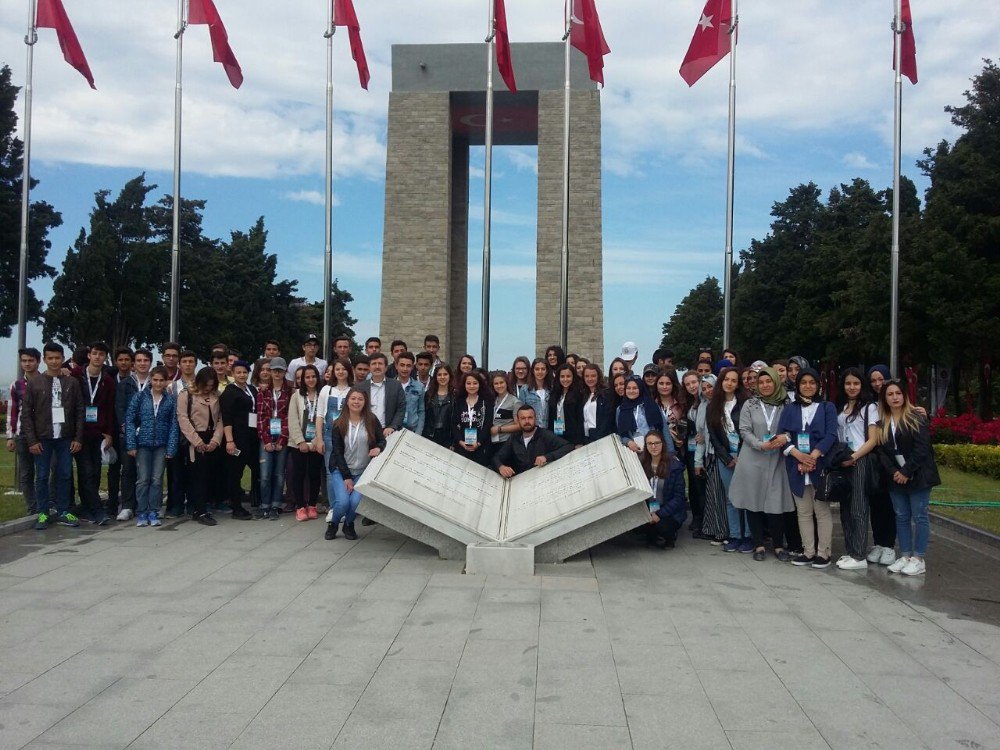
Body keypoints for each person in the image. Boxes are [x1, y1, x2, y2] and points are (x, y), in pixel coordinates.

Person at [728, 367, 793, 561]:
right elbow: (744, 430)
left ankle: (779, 546)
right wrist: (760, 445)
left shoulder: (786, 404)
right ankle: (758, 546)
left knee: (776, 503)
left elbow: (794, 428)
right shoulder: (750, 403)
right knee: (753, 502)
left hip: (777, 459)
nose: (765, 385)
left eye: (769, 381)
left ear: (776, 382)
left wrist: (786, 437)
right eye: (761, 382)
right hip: (753, 458)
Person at [877, 380, 940, 576]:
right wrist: (895, 472)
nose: (894, 397)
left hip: (918, 475)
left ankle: (918, 558)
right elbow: (881, 452)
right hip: (895, 477)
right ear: (884, 398)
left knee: (919, 516)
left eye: (898, 393)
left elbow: (922, 449)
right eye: (890, 394)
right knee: (901, 516)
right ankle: (904, 555)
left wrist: (907, 471)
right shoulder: (882, 422)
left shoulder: (916, 418)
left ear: (904, 395)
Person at [778, 368, 839, 568]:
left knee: (821, 511)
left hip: (818, 464)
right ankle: (808, 551)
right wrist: (798, 456)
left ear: (818, 385)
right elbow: (783, 437)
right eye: (803, 382)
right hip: (796, 465)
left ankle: (824, 553)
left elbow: (831, 435)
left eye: (812, 382)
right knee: (803, 512)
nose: (808, 386)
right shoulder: (789, 409)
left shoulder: (827, 407)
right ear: (798, 385)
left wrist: (811, 458)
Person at [22, 342, 85, 529]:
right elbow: (27, 413)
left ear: (62, 358)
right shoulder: (35, 382)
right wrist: (32, 440)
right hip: (43, 438)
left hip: (65, 437)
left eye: (58, 358)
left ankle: (64, 510)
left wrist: (78, 438)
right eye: (50, 358)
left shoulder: (71, 382)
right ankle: (43, 512)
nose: (54, 361)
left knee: (65, 474)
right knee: (41, 476)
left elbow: (80, 411)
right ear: (44, 360)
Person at [834, 367, 881, 570]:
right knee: (845, 508)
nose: (851, 387)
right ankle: (850, 550)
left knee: (859, 507)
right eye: (848, 383)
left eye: (856, 383)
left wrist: (853, 457)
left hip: (860, 459)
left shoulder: (869, 408)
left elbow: (873, 439)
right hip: (843, 461)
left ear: (862, 385)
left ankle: (859, 554)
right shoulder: (841, 407)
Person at [325, 388, 386, 541]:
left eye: (360, 399)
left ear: (365, 402)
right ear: (347, 401)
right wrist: (346, 477)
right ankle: (333, 523)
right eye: (353, 398)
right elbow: (337, 453)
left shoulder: (371, 420)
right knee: (343, 502)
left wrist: (379, 448)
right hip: (341, 470)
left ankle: (349, 524)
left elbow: (381, 440)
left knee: (355, 502)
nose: (356, 402)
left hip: (363, 471)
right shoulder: (339, 423)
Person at [125, 366, 179, 527]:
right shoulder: (140, 397)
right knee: (143, 479)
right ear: (151, 380)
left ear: (166, 381)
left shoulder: (170, 400)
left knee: (156, 479)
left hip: (161, 445)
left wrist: (171, 447)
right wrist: (131, 444)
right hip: (142, 444)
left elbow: (173, 425)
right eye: (155, 379)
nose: (158, 383)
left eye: (161, 380)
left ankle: (154, 511)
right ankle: (142, 512)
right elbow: (130, 420)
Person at [707, 367, 751, 552]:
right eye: (726, 379)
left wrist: (742, 456)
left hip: (746, 457)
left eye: (734, 380)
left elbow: (750, 431)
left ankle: (748, 537)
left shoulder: (746, 404)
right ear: (721, 382)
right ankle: (734, 535)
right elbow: (714, 437)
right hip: (725, 458)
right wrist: (727, 458)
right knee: (730, 498)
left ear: (738, 383)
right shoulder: (713, 406)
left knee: (746, 498)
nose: (730, 383)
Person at [75, 341, 116, 525]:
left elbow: (109, 408)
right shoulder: (76, 375)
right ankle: (97, 511)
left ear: (105, 358)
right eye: (95, 353)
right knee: (86, 470)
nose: (98, 357)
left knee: (96, 471)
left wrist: (108, 432)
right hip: (79, 432)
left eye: (101, 354)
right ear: (89, 355)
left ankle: (87, 508)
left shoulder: (107, 381)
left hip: (98, 433)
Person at [177, 367, 224, 525]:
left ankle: (206, 505)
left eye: (211, 385)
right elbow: (183, 419)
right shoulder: (186, 394)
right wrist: (197, 442)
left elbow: (221, 420)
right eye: (206, 385)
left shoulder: (216, 395)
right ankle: (199, 510)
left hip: (213, 437)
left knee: (211, 474)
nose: (208, 388)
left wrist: (216, 440)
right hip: (195, 437)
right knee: (198, 475)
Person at [865, 363, 898, 565]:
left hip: (894, 461)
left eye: (881, 379)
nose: (878, 384)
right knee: (877, 504)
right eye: (874, 380)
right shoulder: (870, 405)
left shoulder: (896, 401)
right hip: (875, 461)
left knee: (891, 504)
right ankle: (878, 542)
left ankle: (889, 546)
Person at [219, 360, 257, 520]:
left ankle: (257, 500)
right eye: (238, 372)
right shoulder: (229, 392)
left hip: (252, 436)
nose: (242, 375)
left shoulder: (251, 389)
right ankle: (236, 506)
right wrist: (229, 440)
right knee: (235, 472)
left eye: (244, 372)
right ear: (233, 374)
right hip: (236, 437)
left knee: (256, 468)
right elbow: (226, 418)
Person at [492, 405, 573, 477]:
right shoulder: (514, 438)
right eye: (523, 418)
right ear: (518, 420)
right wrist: (501, 467)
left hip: (543, 479)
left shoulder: (545, 435)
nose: (527, 421)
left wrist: (547, 457)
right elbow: (497, 457)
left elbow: (568, 446)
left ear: (535, 418)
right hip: (521, 482)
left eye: (530, 417)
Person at [7, 348, 42, 514]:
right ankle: (32, 508)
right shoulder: (17, 385)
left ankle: (47, 504)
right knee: (26, 474)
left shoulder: (47, 381)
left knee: (45, 472)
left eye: (31, 360)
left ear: (38, 361)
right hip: (22, 435)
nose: (27, 364)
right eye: (24, 361)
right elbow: (13, 411)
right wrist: (10, 435)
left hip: (44, 434)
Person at [256, 357, 292, 519]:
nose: (277, 373)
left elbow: (289, 417)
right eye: (274, 370)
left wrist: (281, 440)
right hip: (266, 437)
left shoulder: (290, 392)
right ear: (269, 371)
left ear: (285, 372)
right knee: (265, 475)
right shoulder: (263, 392)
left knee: (279, 474)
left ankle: (276, 505)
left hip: (282, 437)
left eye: (280, 370)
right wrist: (266, 440)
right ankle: (265, 505)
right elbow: (260, 417)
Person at [640, 431, 687, 548]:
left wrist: (659, 514)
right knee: (638, 525)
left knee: (663, 526)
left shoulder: (674, 466)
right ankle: (652, 535)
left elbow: (679, 497)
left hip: (669, 512)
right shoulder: (642, 465)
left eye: (657, 443)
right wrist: (647, 513)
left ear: (663, 444)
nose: (653, 446)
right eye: (650, 444)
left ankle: (670, 537)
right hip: (650, 509)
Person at [289, 364, 323, 521]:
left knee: (315, 474)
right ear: (302, 380)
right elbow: (292, 420)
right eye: (307, 377)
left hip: (317, 442)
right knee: (299, 474)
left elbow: (324, 418)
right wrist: (300, 441)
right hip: (298, 443)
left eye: (313, 376)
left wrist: (317, 439)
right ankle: (300, 506)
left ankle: (312, 505)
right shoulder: (296, 395)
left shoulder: (322, 395)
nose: (311, 379)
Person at [682, 370, 707, 538]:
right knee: (693, 483)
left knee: (703, 485)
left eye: (694, 382)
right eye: (688, 384)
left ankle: (706, 520)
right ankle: (697, 517)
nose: (692, 386)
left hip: (705, 449)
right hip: (691, 449)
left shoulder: (707, 401)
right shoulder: (688, 403)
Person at [316, 357, 354, 468]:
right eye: (337, 369)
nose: (340, 372)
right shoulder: (326, 389)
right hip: (329, 436)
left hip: (348, 436)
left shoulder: (353, 390)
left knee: (348, 468)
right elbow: (320, 416)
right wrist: (319, 439)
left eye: (343, 369)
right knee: (330, 470)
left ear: (349, 370)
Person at [356, 353, 405, 437]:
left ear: (386, 367)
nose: (377, 366)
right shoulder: (360, 387)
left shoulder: (396, 385)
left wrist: (392, 427)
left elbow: (401, 408)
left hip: (388, 432)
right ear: (369, 368)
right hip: (364, 431)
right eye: (374, 364)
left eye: (380, 364)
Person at [616, 375, 664, 455]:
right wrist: (628, 442)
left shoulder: (651, 405)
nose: (631, 391)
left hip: (655, 449)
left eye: (635, 388)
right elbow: (621, 434)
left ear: (640, 389)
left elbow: (664, 429)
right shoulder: (620, 410)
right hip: (636, 451)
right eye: (628, 388)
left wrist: (670, 452)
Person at [453, 371, 493, 466]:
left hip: (481, 447)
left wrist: (478, 443)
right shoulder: (459, 402)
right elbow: (454, 424)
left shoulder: (486, 402)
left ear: (480, 384)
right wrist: (461, 442)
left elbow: (488, 425)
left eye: (475, 383)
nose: (472, 386)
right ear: (464, 385)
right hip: (462, 447)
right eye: (468, 383)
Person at [548, 363, 585, 446]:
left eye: (568, 376)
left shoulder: (578, 394)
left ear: (573, 377)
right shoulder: (555, 394)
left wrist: (579, 441)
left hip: (573, 437)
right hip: (557, 434)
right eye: (562, 376)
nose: (565, 379)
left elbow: (580, 419)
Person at [488, 371, 522, 457]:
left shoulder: (515, 402)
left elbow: (519, 426)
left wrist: (500, 429)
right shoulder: (492, 400)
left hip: (506, 442)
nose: (499, 386)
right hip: (491, 441)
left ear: (506, 383)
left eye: (501, 382)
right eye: (496, 383)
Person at [653, 370, 685, 455]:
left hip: (679, 448)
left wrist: (681, 437)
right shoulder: (651, 404)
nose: (664, 386)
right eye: (661, 383)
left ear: (673, 385)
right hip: (657, 448)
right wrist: (666, 431)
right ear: (656, 385)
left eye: (668, 383)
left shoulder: (681, 403)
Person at [423, 365, 455, 448]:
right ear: (435, 377)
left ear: (450, 376)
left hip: (447, 437)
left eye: (445, 374)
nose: (442, 377)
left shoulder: (455, 395)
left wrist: (453, 442)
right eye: (439, 375)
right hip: (430, 435)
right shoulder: (428, 394)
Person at [581, 364, 614, 443]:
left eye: (593, 376)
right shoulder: (584, 395)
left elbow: (607, 419)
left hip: (601, 436)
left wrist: (599, 437)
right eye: (587, 376)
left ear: (598, 376)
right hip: (587, 436)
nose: (590, 379)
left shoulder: (606, 393)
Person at [396, 352, 426, 437]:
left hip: (413, 431)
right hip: (394, 431)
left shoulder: (419, 387)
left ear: (413, 367)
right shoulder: (390, 386)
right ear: (396, 366)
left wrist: (418, 434)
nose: (405, 369)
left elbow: (421, 411)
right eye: (402, 365)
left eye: (408, 366)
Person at [527, 358, 552, 429]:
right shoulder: (525, 389)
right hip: (532, 429)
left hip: (549, 429)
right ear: (533, 371)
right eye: (537, 369)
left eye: (543, 369)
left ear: (547, 371)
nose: (540, 372)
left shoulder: (552, 389)